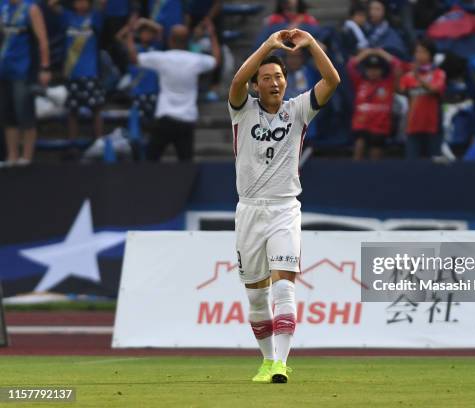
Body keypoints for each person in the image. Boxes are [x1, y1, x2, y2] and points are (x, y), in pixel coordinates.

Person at [228, 28, 339, 383]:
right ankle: (266, 360)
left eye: (278, 76)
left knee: (284, 287)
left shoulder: (299, 110)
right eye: (266, 78)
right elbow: (235, 80)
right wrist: (267, 47)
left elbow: (332, 79)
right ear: (256, 86)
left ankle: (280, 363)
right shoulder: (241, 110)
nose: (274, 82)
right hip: (249, 210)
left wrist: (310, 44)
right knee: (257, 297)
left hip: (284, 209)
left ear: (285, 82)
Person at [131, 24, 219, 161]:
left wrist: (130, 35)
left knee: (150, 160)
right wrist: (212, 35)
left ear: (170, 40)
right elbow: (216, 61)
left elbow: (135, 58)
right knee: (186, 163)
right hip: (186, 119)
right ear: (187, 41)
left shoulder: (162, 58)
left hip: (165, 117)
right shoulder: (195, 60)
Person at [0, 0, 51, 165]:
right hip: (4, 69)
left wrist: (45, 67)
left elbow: (42, 40)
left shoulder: (31, 8)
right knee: (8, 114)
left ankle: (27, 156)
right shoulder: (3, 6)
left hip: (23, 69)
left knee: (25, 112)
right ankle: (12, 156)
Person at [49, 0, 104, 144]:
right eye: (78, 1)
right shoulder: (67, 16)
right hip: (72, 72)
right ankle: (71, 144)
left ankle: (98, 142)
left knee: (96, 108)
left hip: (91, 72)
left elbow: (102, 3)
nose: (81, 4)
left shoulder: (95, 16)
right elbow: (52, 4)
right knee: (72, 111)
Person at [347, 47, 400, 160]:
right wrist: (367, 53)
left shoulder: (388, 83)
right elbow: (350, 66)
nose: (373, 72)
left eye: (376, 69)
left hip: (380, 127)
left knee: (375, 160)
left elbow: (398, 65)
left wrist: (381, 53)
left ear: (382, 70)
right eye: (370, 69)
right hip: (361, 125)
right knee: (359, 146)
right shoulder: (359, 82)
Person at [399, 38, 446, 159]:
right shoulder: (408, 76)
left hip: (432, 127)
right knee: (411, 166)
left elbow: (436, 89)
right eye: (417, 52)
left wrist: (419, 79)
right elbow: (401, 89)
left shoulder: (438, 73)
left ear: (430, 55)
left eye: (423, 52)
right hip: (413, 126)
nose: (419, 55)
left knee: (435, 164)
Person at [117, 18, 162, 122]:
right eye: (144, 32)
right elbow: (119, 38)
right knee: (136, 122)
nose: (146, 35)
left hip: (153, 91)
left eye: (149, 33)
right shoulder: (134, 48)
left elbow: (160, 29)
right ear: (139, 34)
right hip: (137, 92)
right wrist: (131, 27)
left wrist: (144, 22)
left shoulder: (156, 47)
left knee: (154, 120)